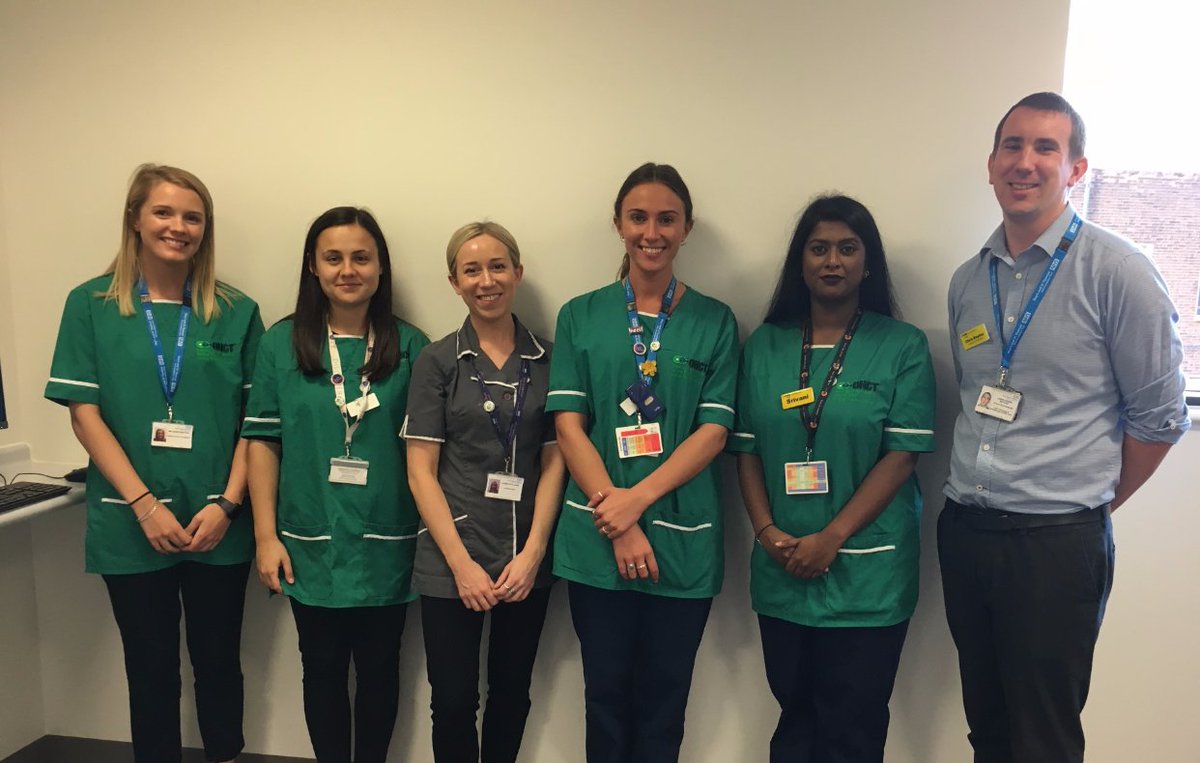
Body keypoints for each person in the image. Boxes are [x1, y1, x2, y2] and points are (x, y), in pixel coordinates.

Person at [941, 92, 1191, 763]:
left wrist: (1086, 504)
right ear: (990, 164)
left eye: (1045, 148)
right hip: (966, 530)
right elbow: (975, 394)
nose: (1026, 162)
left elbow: (1160, 419)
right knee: (987, 727)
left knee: (1043, 738)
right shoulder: (970, 280)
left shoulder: (1120, 272)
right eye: (1013, 146)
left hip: (1054, 544)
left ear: (1075, 168)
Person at [45, 163, 263, 763]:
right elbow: (83, 412)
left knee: (219, 662)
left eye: (193, 216)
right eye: (164, 212)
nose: (178, 226)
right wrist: (144, 505)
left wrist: (228, 504)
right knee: (150, 667)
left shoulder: (235, 311)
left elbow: (257, 424)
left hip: (217, 522)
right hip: (128, 520)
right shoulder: (90, 304)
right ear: (135, 219)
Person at [728, 195, 935, 762]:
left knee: (853, 728)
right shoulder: (765, 345)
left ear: (869, 263)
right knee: (795, 721)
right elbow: (745, 449)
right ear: (801, 261)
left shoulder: (902, 346)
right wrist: (768, 531)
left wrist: (832, 538)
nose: (833, 261)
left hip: (867, 574)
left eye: (848, 248)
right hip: (782, 568)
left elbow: (902, 456)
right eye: (819, 248)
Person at [546, 162, 738, 762]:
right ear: (618, 225)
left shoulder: (715, 321)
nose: (651, 232)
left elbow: (713, 432)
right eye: (638, 217)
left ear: (686, 229)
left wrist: (638, 501)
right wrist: (618, 517)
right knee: (604, 695)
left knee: (664, 697)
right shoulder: (581, 315)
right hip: (597, 540)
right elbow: (569, 426)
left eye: (666, 219)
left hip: (683, 540)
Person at [242, 207, 429, 763]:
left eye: (361, 257)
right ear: (313, 267)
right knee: (319, 669)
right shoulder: (281, 344)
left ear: (380, 268)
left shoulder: (414, 347)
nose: (348, 269)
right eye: (334, 257)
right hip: (308, 540)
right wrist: (264, 536)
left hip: (387, 541)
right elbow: (263, 444)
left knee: (379, 671)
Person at [403, 221, 566, 763]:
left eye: (498, 266)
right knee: (452, 700)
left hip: (526, 553)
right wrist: (461, 565)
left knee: (512, 693)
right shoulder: (438, 361)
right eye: (471, 269)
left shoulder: (550, 360)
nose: (486, 280)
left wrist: (534, 554)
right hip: (451, 557)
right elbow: (421, 471)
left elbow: (555, 459)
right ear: (454, 282)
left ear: (518, 273)